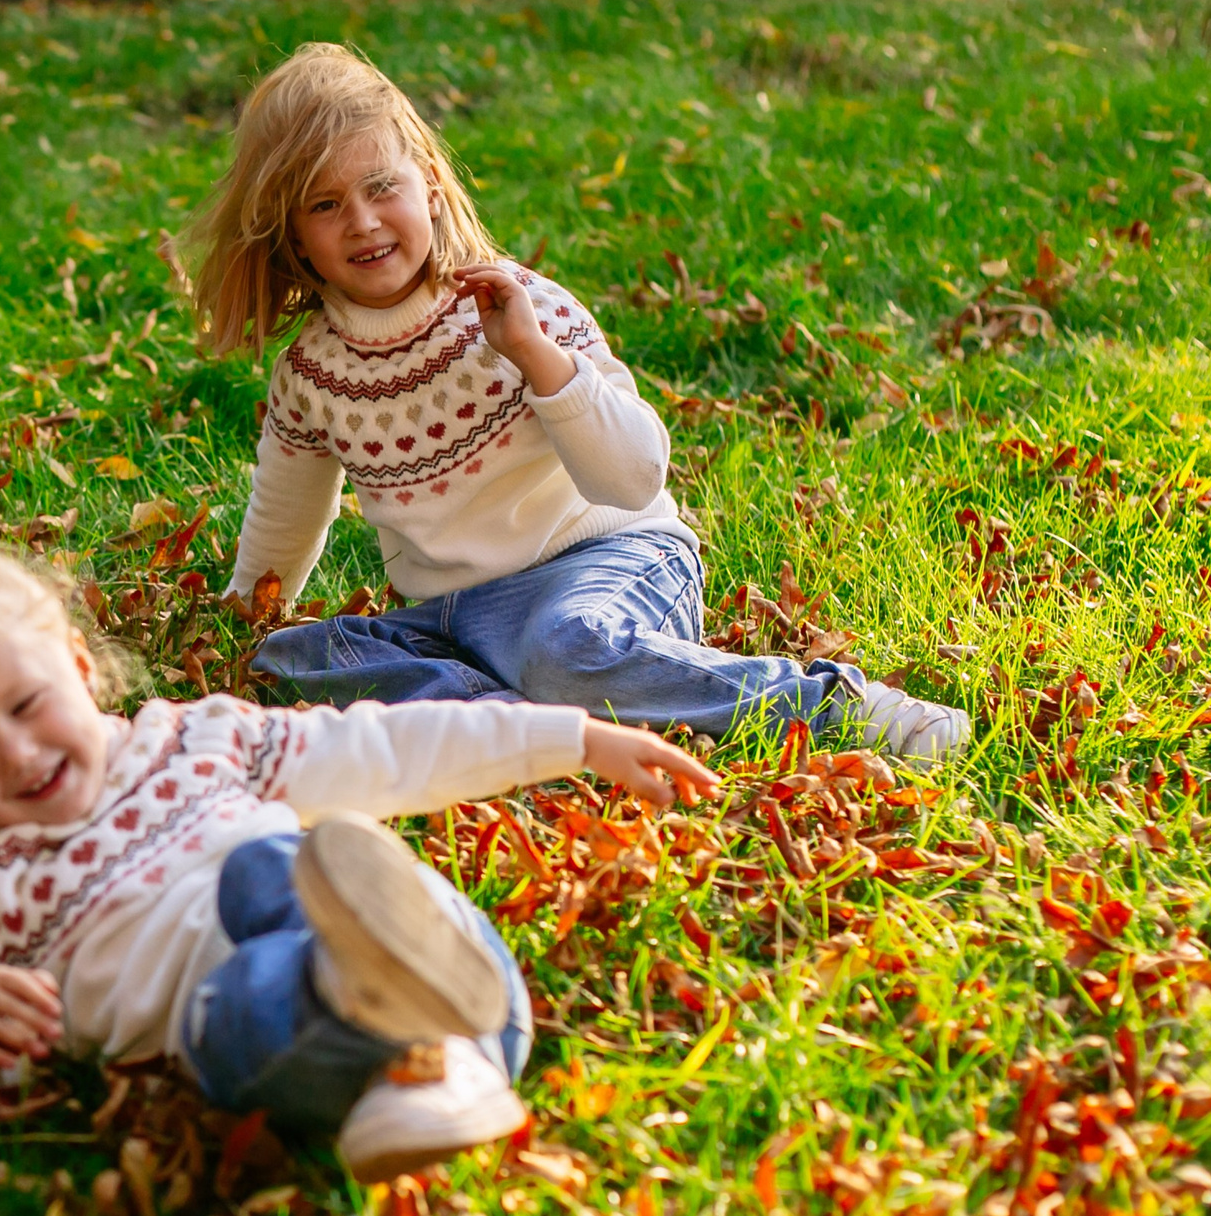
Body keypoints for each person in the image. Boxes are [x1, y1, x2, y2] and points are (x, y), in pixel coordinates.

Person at [0, 509, 719, 1183]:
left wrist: (574, 737)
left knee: (278, 868)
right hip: (262, 1043)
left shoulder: (198, 741)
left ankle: (426, 1035)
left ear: (79, 665)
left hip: (474, 995)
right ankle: (405, 1057)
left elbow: (384, 748)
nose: (17, 753)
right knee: (242, 975)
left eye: (26, 705)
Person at [181, 42, 972, 763]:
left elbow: (635, 477)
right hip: (455, 620)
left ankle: (837, 707)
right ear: (294, 235)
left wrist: (536, 357)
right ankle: (517, 722)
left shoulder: (521, 310)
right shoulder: (313, 374)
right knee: (295, 657)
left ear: (428, 183)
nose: (362, 221)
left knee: (565, 648)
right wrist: (245, 612)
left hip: (608, 565)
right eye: (324, 206)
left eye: (381, 186)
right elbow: (286, 514)